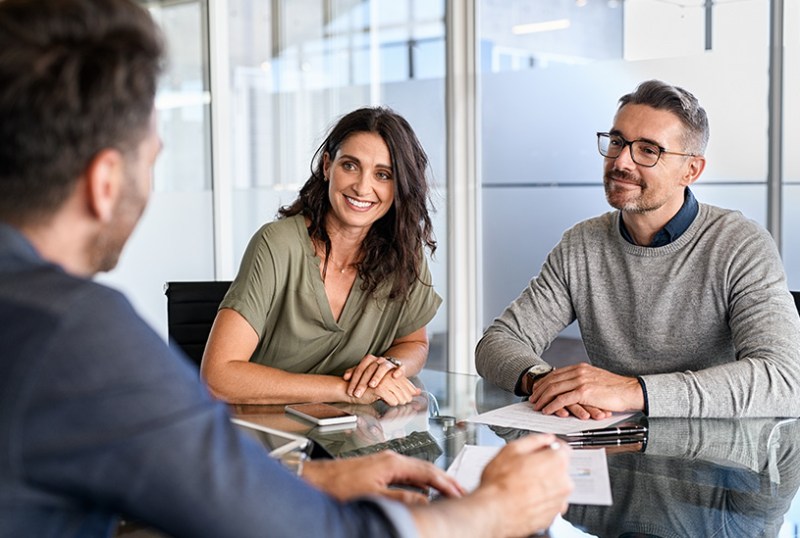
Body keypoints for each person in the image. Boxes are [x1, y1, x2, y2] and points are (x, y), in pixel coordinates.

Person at [0, 1, 573, 537]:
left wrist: (317, 474)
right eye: (153, 160)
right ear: (105, 183)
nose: (364, 186)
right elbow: (303, 526)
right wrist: (490, 508)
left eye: (383, 175)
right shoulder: (74, 334)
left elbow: (183, 478)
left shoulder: (36, 318)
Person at [476, 80, 800, 420]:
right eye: (617, 142)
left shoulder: (739, 245)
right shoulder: (581, 245)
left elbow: (784, 379)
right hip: (610, 453)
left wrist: (632, 391)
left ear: (691, 170)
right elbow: (497, 342)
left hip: (717, 462)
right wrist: (544, 381)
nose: (621, 162)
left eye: (648, 150)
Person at [201, 107, 441, 407]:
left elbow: (413, 342)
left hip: (350, 439)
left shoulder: (405, 253)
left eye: (383, 174)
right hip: (263, 437)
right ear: (327, 166)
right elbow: (218, 377)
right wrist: (345, 390)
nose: (363, 186)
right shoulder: (277, 245)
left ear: (399, 185)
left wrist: (390, 367)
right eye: (350, 166)